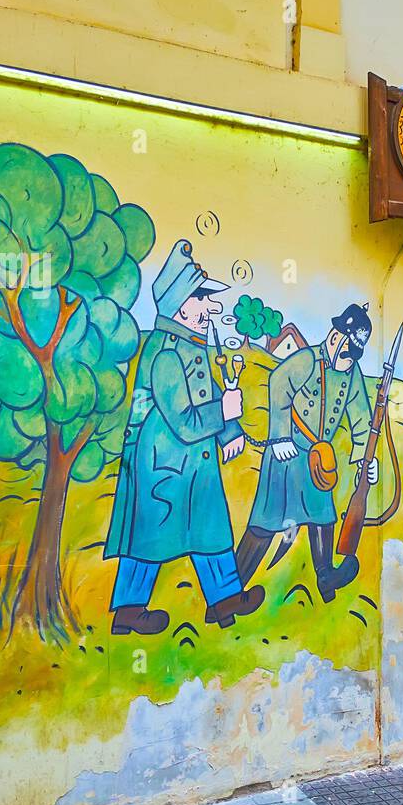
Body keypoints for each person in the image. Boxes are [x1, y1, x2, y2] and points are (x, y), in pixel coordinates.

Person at [104, 241, 264, 634]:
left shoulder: (192, 347)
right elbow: (184, 421)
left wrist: (230, 429)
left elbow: (209, 393)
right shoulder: (165, 354)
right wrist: (223, 414)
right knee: (149, 537)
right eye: (202, 297)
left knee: (209, 527)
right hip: (163, 465)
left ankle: (224, 599)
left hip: (195, 464)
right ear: (180, 304)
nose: (210, 306)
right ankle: (128, 612)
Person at [234, 304, 378, 603]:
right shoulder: (307, 360)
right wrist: (280, 435)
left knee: (322, 516)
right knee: (267, 521)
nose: (349, 360)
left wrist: (368, 461)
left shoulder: (351, 373)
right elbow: (278, 383)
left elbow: (361, 416)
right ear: (337, 338)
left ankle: (326, 578)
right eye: (348, 351)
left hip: (317, 459)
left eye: (355, 355)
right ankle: (232, 590)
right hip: (288, 452)